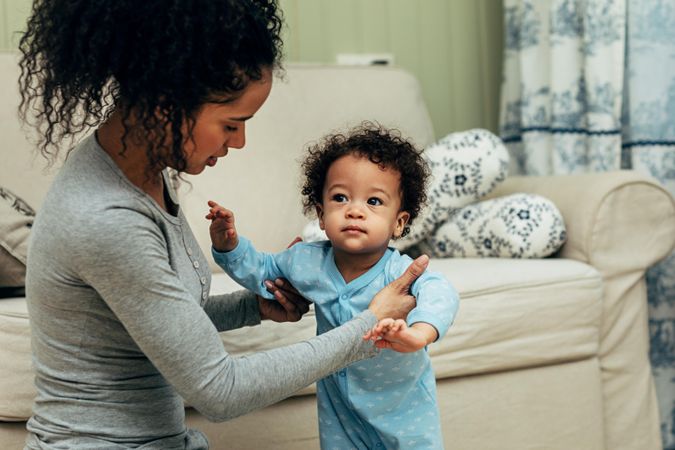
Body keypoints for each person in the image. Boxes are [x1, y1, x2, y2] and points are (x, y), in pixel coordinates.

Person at [18, 1, 430, 448]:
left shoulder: (144, 168)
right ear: (166, 105)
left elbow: (157, 316)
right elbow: (220, 391)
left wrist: (253, 307)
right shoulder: (106, 219)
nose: (240, 141)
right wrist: (368, 325)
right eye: (232, 124)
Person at [208, 124, 460, 449]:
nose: (354, 210)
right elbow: (264, 273)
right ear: (321, 215)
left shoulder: (401, 273)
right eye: (340, 198)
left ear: (399, 222)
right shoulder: (306, 261)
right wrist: (230, 246)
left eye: (374, 201)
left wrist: (420, 333)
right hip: (340, 413)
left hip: (402, 412)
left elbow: (440, 292)